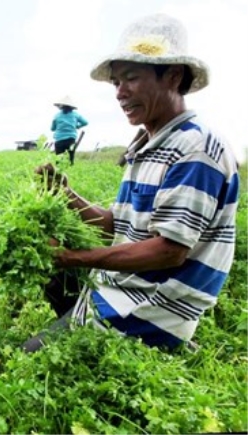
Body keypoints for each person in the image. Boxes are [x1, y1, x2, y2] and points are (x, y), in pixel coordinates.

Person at [25, 13, 240, 352]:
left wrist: (76, 257)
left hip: (153, 306)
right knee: (50, 272)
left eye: (131, 78)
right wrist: (66, 195)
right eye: (116, 83)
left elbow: (169, 251)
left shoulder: (196, 148)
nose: (120, 93)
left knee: (30, 355)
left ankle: (162, 341)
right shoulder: (149, 144)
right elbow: (117, 225)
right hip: (121, 286)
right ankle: (83, 326)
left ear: (172, 76)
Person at [50, 95, 88, 165]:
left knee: (59, 160)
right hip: (71, 139)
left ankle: (59, 174)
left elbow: (52, 129)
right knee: (70, 158)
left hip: (59, 139)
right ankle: (70, 172)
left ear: (61, 106)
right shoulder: (75, 115)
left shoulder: (57, 116)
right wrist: (77, 126)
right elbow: (85, 122)